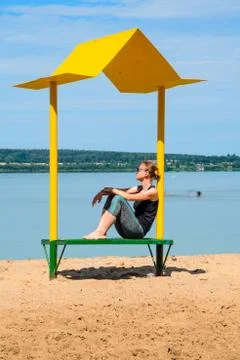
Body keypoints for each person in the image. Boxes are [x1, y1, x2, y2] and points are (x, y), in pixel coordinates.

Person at [83, 161, 159, 240]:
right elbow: (123, 191)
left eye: (139, 170)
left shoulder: (153, 192)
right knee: (113, 196)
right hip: (126, 230)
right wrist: (103, 192)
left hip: (138, 231)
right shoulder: (139, 188)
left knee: (118, 199)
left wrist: (112, 190)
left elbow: (128, 197)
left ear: (147, 173)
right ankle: (101, 231)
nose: (136, 172)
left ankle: (99, 232)